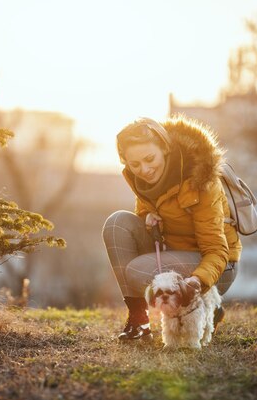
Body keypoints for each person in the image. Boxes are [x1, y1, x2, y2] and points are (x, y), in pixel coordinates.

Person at [102, 116, 242, 341]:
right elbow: (141, 210)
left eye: (150, 159)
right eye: (134, 164)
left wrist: (197, 283)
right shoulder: (145, 182)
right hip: (172, 254)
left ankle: (207, 303)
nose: (144, 169)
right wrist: (147, 216)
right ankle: (139, 320)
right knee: (117, 222)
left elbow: (217, 251)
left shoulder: (201, 182)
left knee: (137, 271)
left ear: (165, 148)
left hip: (217, 267)